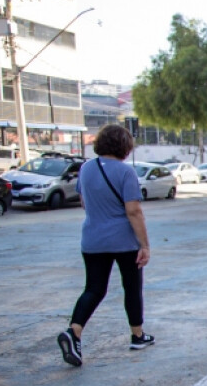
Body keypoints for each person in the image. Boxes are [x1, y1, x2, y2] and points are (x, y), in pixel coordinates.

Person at [57, 124, 153, 367]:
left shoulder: (86, 169)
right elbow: (134, 211)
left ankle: (74, 332)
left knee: (94, 289)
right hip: (123, 241)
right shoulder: (125, 172)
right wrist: (144, 245)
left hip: (92, 239)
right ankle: (137, 335)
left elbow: (84, 202)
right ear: (124, 146)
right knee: (131, 287)